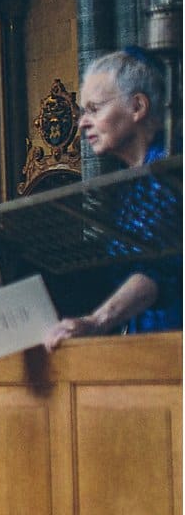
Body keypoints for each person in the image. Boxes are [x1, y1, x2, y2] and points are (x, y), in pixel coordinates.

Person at [43, 46, 181, 349]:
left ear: (137, 107)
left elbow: (159, 270)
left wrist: (97, 321)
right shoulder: (134, 181)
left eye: (94, 109)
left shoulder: (170, 174)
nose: (81, 123)